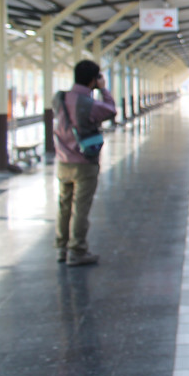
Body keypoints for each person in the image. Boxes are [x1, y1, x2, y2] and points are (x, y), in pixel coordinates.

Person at [53, 60, 116, 266]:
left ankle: (61, 249)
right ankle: (77, 251)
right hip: (84, 163)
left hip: (63, 162)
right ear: (93, 80)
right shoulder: (89, 104)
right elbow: (110, 110)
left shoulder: (59, 98)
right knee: (80, 208)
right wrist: (104, 89)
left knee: (64, 206)